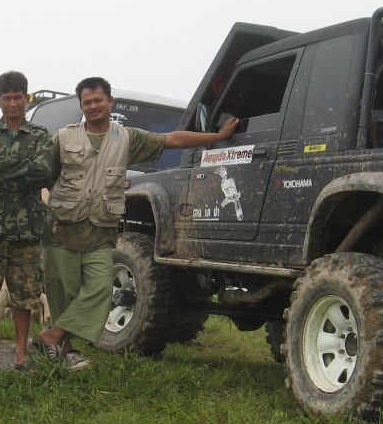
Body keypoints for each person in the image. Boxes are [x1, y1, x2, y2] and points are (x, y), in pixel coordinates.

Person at [37, 76, 238, 368]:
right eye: (87, 102)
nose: (93, 106)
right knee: (62, 293)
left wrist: (217, 137)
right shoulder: (64, 138)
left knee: (100, 291)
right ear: (81, 106)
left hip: (100, 231)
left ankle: (52, 336)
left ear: (110, 102)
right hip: (62, 228)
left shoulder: (127, 138)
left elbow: (172, 139)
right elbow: (46, 175)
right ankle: (63, 349)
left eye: (98, 100)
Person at [0, 71, 54, 372]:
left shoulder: (41, 135)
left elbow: (44, 172)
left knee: (25, 294)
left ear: (26, 99)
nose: (13, 103)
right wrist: (23, 169)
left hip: (27, 227)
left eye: (18, 97)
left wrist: (2, 170)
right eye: (7, 98)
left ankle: (21, 353)